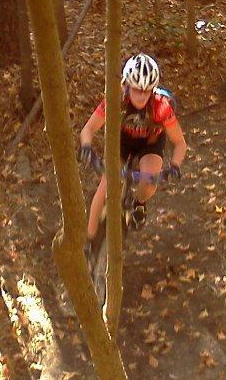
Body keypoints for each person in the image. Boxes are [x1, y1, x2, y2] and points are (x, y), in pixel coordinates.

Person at [77, 53, 187, 246]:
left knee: (148, 181)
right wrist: (86, 147)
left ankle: (140, 203)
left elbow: (179, 142)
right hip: (121, 142)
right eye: (137, 90)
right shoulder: (116, 100)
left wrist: (175, 166)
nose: (141, 96)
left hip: (150, 144)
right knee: (103, 189)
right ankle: (89, 242)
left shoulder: (161, 107)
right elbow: (88, 128)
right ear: (127, 85)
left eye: (147, 91)